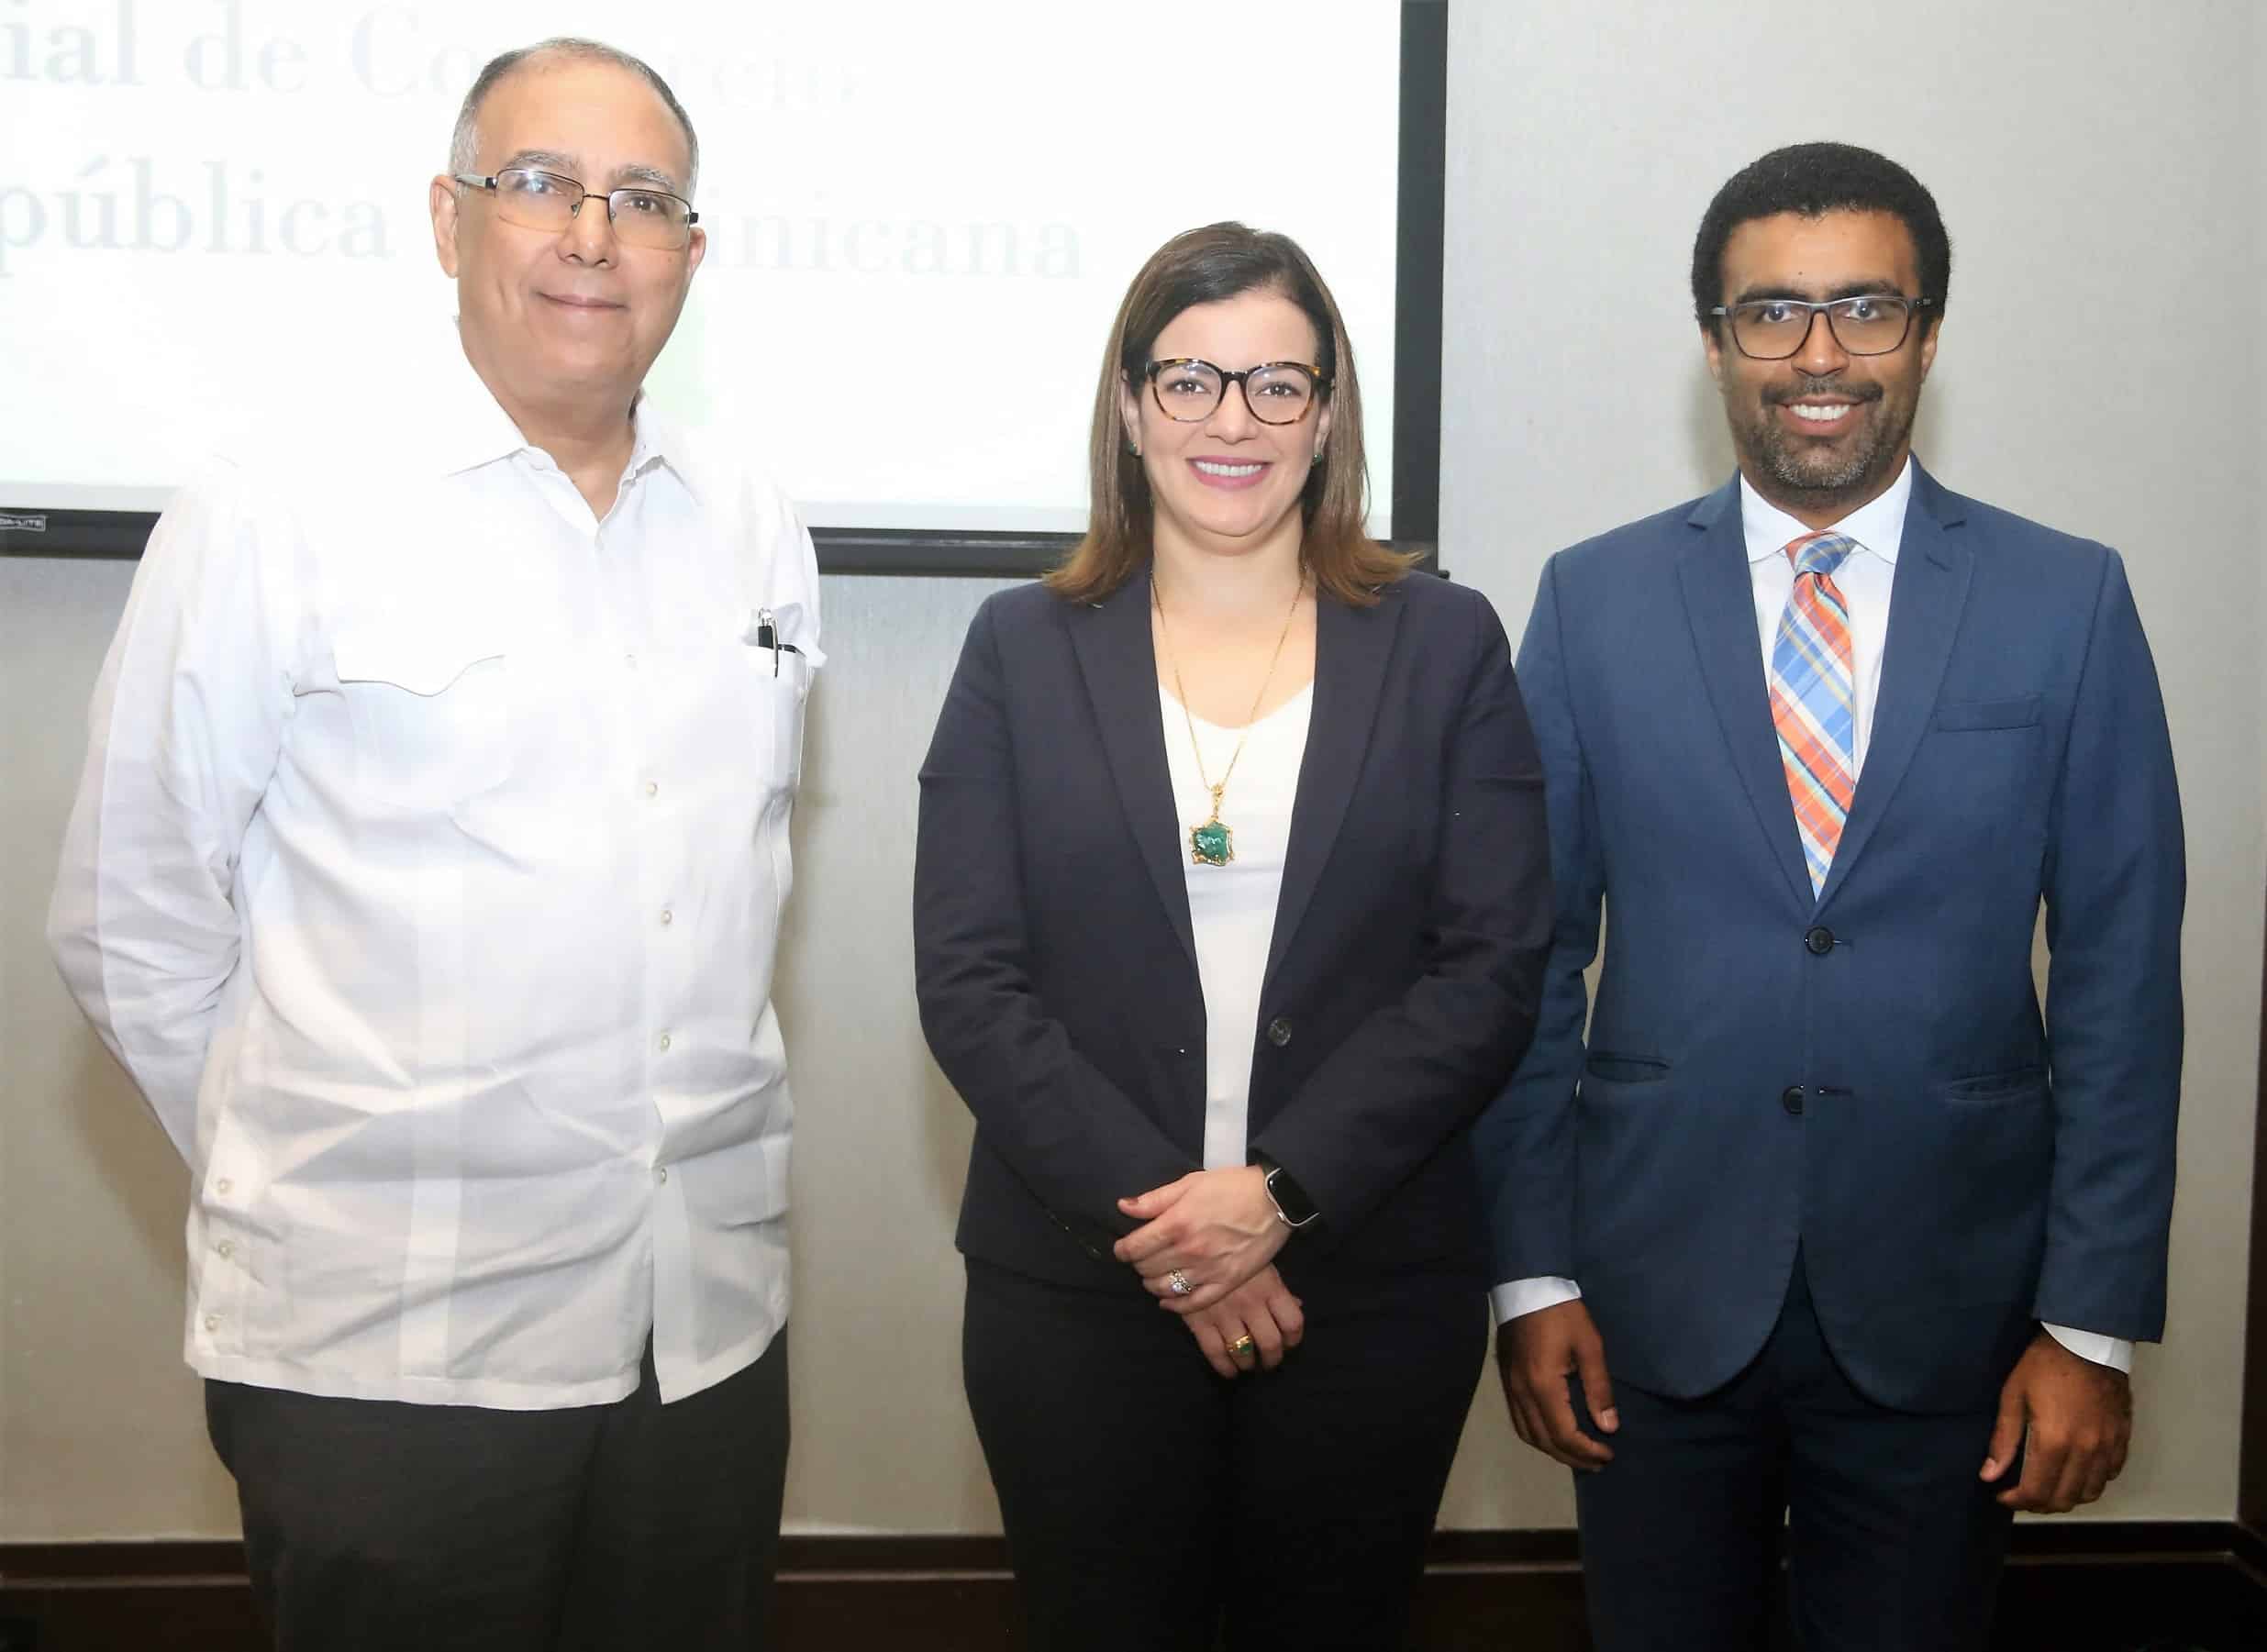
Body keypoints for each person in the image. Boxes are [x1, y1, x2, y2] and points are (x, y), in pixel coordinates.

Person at [46, 37, 818, 1652]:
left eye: (646, 200)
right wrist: (318, 1159)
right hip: (382, 1353)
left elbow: (727, 895)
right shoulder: (276, 506)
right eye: (538, 184)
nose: (593, 236)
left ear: (694, 251)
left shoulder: (751, 520)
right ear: (448, 220)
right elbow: (130, 919)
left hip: (700, 1336)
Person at [1473, 141, 2184, 1651]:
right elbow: (1522, 959)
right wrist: (1530, 1272)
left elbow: (2124, 977)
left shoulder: (2070, 601)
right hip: (1650, 1300)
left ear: (1928, 331)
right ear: (1715, 343)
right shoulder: (1590, 601)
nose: (1818, 354)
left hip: (1955, 1310)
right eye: (1770, 313)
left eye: (1866, 308)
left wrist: (2089, 1319)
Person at [914, 221, 1553, 1650]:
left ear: (1326, 417)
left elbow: (1493, 965)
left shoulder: (1446, 645)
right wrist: (1182, 1228)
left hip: (1369, 1287)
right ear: (1131, 403)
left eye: (1277, 385)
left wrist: (1282, 1194)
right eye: (1192, 378)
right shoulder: (1019, 647)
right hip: (1079, 1292)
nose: (1232, 421)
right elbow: (970, 979)